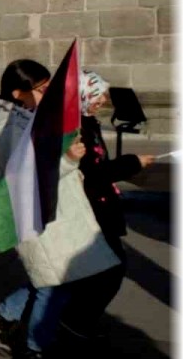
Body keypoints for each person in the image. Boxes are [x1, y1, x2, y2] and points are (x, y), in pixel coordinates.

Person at [0, 60, 83, 359]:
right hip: (25, 213)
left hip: (44, 209)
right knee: (54, 280)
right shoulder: (8, 124)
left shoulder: (29, 117)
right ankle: (33, 349)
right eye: (42, 88)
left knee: (51, 278)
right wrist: (66, 159)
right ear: (18, 93)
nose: (49, 93)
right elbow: (25, 175)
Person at [57, 71, 155, 341]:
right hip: (91, 209)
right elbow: (93, 172)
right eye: (97, 93)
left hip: (100, 206)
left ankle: (71, 322)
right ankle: (71, 325)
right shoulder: (77, 128)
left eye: (103, 94)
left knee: (102, 270)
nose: (103, 99)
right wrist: (131, 163)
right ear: (83, 93)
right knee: (110, 269)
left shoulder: (88, 122)